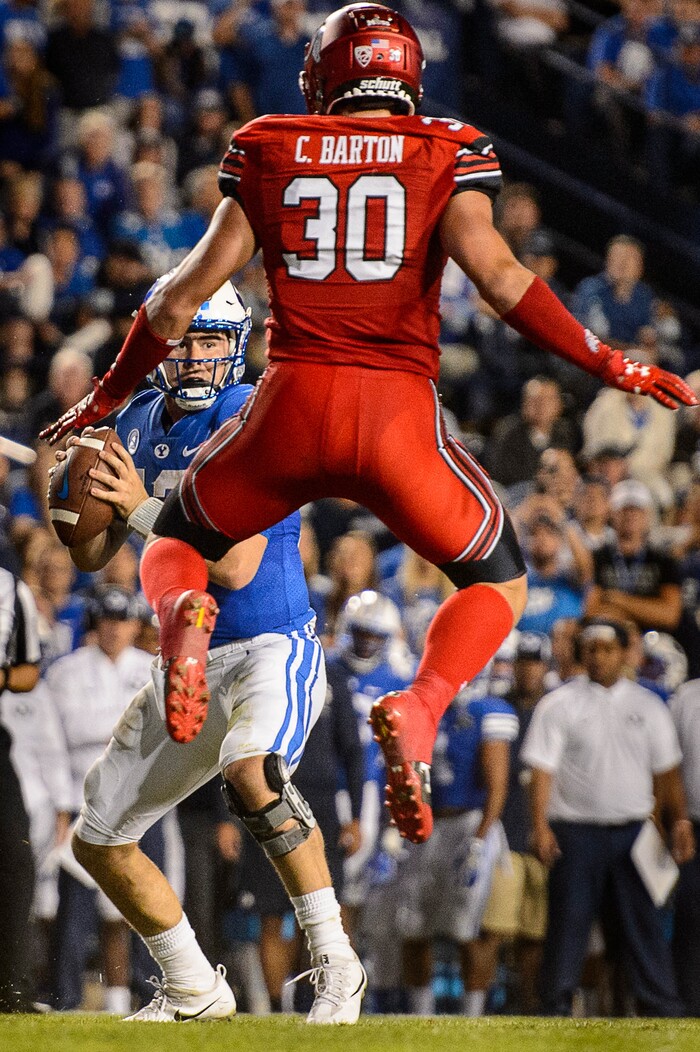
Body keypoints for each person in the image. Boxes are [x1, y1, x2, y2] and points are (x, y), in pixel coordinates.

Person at [41, 2, 698, 850]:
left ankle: (181, 626)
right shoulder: (444, 148)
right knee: (499, 584)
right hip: (396, 421)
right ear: (407, 77)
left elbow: (177, 301)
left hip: (291, 406)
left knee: (178, 541)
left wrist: (104, 392)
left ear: (325, 75)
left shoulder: (272, 144)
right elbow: (501, 281)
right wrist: (609, 361)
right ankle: (421, 707)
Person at [50, 280, 366, 1023]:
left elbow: (235, 564)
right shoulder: (139, 416)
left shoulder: (251, 413)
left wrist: (132, 505)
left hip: (266, 645)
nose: (195, 356)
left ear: (237, 344)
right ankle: (193, 986)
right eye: (183, 340)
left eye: (211, 340)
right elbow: (93, 553)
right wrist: (73, 490)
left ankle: (337, 964)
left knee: (250, 772)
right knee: (98, 837)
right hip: (183, 660)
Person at [522, 617, 694, 1016]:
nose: (598, 657)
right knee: (568, 926)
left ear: (623, 653)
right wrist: (540, 825)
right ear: (583, 653)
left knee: (643, 925)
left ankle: (659, 1004)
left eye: (607, 649)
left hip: (633, 831)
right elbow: (541, 771)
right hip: (575, 832)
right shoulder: (559, 703)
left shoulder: (648, 705)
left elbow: (667, 772)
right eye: (592, 649)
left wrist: (680, 819)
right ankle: (555, 1004)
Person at [0, 565, 42, 1011]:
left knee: (15, 858)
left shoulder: (10, 588)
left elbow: (28, 669)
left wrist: (3, 679)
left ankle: (11, 988)